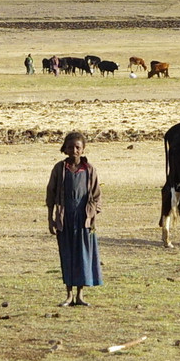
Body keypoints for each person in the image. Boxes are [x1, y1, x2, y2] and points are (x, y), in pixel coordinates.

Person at [45, 131, 101, 307]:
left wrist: (92, 217)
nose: (74, 150)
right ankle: (68, 295)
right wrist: (51, 219)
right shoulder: (60, 169)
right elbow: (51, 194)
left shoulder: (89, 170)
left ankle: (80, 295)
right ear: (65, 149)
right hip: (65, 219)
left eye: (77, 147)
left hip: (84, 219)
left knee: (83, 256)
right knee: (67, 255)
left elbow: (96, 196)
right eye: (70, 147)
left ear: (83, 149)